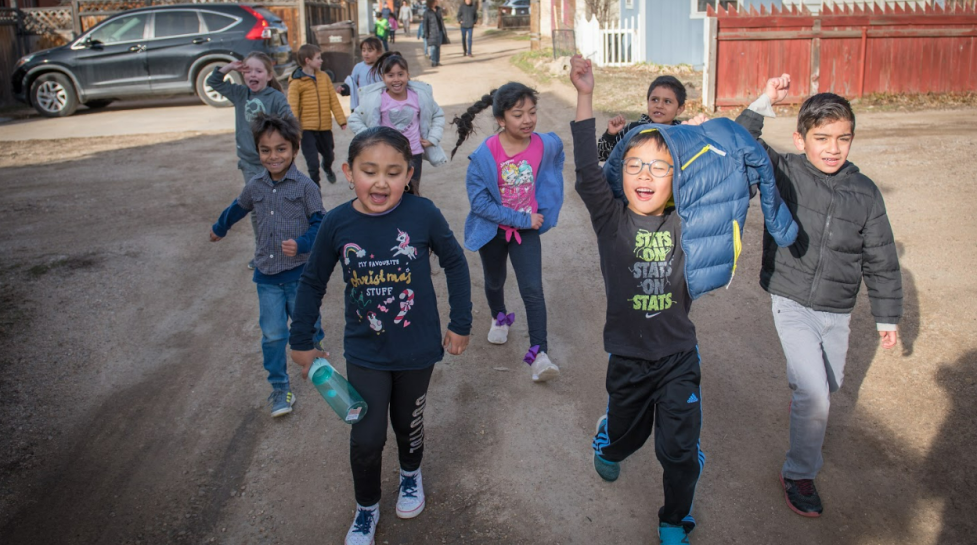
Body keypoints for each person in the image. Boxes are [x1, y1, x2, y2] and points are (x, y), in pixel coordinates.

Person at [568, 55, 798, 545]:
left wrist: (758, 105)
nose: (646, 175)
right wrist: (585, 94)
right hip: (628, 359)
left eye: (660, 167)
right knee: (627, 439)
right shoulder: (610, 221)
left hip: (677, 358)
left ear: (678, 178)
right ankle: (609, 438)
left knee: (678, 450)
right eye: (635, 166)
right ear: (621, 172)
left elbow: (727, 152)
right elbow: (588, 171)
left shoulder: (686, 223)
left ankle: (674, 519)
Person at [288, 127, 472, 545]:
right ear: (348, 172)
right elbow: (312, 281)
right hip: (366, 352)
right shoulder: (337, 222)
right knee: (367, 436)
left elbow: (456, 264)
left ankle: (410, 475)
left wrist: (461, 322)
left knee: (409, 424)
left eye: (393, 172)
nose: (381, 182)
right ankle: (366, 507)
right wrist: (301, 340)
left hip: (418, 350)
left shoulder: (422, 213)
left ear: (409, 174)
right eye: (369, 171)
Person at [736, 74, 903, 518]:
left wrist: (887, 317)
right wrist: (765, 100)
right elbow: (741, 141)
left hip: (837, 312)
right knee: (815, 395)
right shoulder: (785, 171)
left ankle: (807, 400)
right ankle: (799, 473)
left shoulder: (865, 193)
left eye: (842, 139)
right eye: (822, 138)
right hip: (790, 300)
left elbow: (882, 258)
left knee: (827, 387)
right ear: (800, 138)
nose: (833, 148)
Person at [209, 113, 325, 417]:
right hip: (268, 276)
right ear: (258, 151)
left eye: (281, 149)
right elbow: (238, 207)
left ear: (295, 148)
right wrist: (220, 227)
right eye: (265, 150)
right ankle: (279, 387)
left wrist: (302, 243)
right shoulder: (256, 185)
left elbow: (320, 224)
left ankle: (315, 352)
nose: (273, 156)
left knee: (307, 326)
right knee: (273, 335)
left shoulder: (305, 187)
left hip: (299, 274)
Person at [449, 82, 565, 382]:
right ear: (501, 119)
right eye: (518, 114)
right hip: (494, 232)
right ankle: (500, 318)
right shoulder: (484, 155)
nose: (527, 120)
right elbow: (480, 204)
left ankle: (539, 355)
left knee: (532, 290)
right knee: (494, 280)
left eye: (532, 112)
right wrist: (521, 218)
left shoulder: (542, 144)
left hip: (525, 233)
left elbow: (556, 158)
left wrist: (547, 197)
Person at [206, 52, 293, 269]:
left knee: (282, 205)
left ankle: (289, 249)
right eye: (248, 70)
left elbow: (289, 122)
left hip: (275, 163)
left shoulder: (275, 97)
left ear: (269, 75)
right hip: (250, 163)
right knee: (258, 208)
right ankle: (263, 252)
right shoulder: (239, 93)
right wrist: (230, 67)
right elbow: (212, 81)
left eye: (258, 71)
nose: (252, 75)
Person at [348, 52, 448, 196]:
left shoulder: (419, 97)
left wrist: (433, 138)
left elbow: (438, 115)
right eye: (390, 75)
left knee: (412, 192)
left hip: (414, 154)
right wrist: (371, 138)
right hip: (386, 155)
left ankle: (410, 217)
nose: (396, 79)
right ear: (383, 78)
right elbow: (354, 119)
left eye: (400, 74)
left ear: (408, 75)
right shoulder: (376, 100)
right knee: (391, 192)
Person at [288, 44, 347, 186]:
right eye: (318, 58)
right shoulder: (296, 82)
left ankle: (327, 167)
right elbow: (292, 107)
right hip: (306, 130)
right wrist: (294, 130)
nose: (321, 61)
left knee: (329, 155)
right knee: (312, 162)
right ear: (308, 60)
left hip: (325, 128)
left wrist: (341, 120)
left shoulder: (324, 77)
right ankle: (315, 188)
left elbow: (333, 100)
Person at [597, 75, 689, 164]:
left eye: (667, 101)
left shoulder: (683, 133)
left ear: (680, 109)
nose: (659, 105)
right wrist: (610, 135)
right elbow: (601, 155)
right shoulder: (633, 130)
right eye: (655, 100)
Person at [338, 37, 384, 112]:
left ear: (379, 53)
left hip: (380, 105)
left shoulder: (383, 67)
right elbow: (352, 84)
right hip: (362, 106)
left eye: (370, 50)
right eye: (363, 50)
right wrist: (344, 89)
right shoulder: (358, 67)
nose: (366, 53)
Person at [423, 0, 447, 67]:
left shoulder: (438, 10)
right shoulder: (427, 12)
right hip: (432, 32)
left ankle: (437, 61)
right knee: (433, 47)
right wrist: (426, 33)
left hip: (439, 31)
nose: (437, 2)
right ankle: (433, 61)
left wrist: (443, 30)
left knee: (438, 47)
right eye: (435, 1)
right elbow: (425, 24)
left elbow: (441, 21)